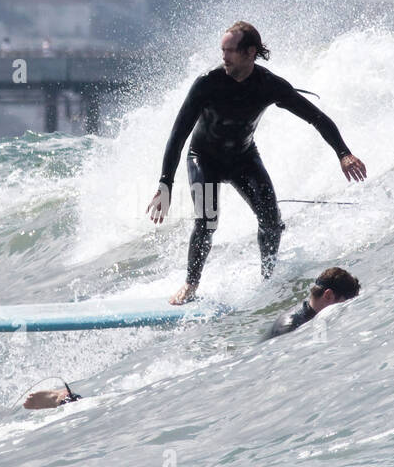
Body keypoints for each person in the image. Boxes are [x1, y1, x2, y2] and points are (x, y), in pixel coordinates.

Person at [147, 22, 367, 305]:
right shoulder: (207, 83)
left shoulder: (267, 84)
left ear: (250, 52)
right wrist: (165, 183)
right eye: (222, 50)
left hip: (243, 158)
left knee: (271, 222)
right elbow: (178, 134)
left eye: (230, 51)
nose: (224, 56)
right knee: (207, 220)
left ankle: (268, 278)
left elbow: (317, 118)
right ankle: (191, 284)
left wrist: (343, 153)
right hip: (204, 159)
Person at [23, 267, 362, 408]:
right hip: (231, 376)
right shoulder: (296, 325)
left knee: (148, 399)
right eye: (346, 305)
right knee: (145, 402)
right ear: (330, 296)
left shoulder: (300, 314)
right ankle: (70, 399)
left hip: (231, 367)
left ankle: (72, 399)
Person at [264, 266, 361, 339]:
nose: (344, 310)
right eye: (344, 304)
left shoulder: (310, 315)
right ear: (328, 295)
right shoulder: (292, 328)